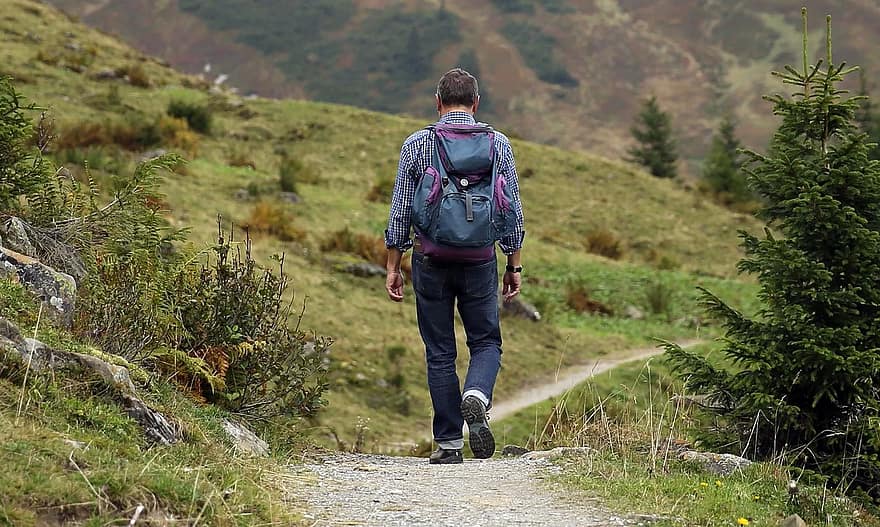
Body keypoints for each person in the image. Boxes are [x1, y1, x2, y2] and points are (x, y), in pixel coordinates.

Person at [384, 68, 525, 464]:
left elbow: (399, 212)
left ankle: (448, 444)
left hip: (430, 258)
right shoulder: (499, 144)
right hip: (480, 259)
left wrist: (394, 264)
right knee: (486, 341)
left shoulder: (417, 144)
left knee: (440, 350)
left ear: (438, 102)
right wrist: (513, 264)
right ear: (476, 103)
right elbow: (511, 210)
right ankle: (476, 394)